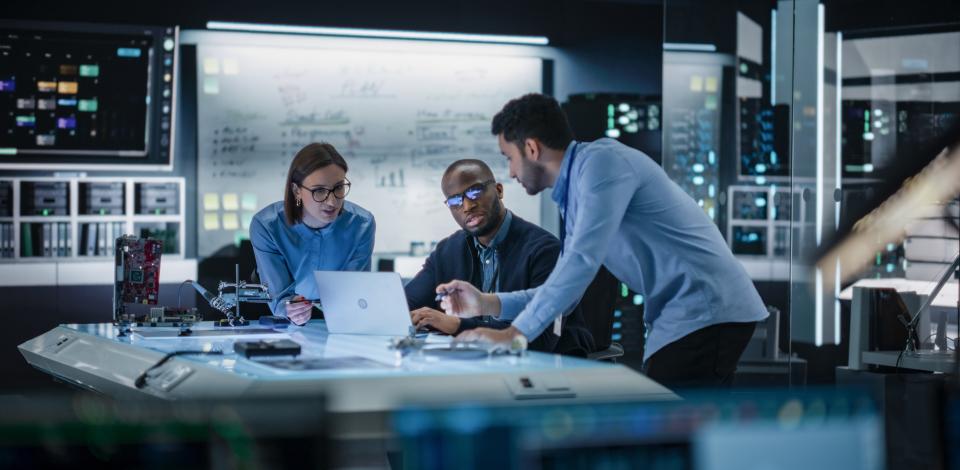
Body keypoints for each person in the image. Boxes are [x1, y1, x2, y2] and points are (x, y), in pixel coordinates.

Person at [436, 94, 768, 388]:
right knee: (681, 436)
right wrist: (488, 303)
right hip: (690, 315)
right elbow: (563, 292)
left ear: (532, 148)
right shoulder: (575, 192)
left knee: (672, 437)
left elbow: (581, 263)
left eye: (508, 157)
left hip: (706, 310)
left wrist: (513, 334)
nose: (509, 172)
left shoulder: (602, 164)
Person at [405, 159, 594, 355]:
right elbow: (404, 304)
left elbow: (542, 342)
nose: (467, 206)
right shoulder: (447, 250)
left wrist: (457, 325)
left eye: (475, 191)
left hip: (545, 368)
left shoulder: (544, 249)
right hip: (479, 365)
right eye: (455, 201)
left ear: (499, 190)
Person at [251, 142, 375, 325]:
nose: (332, 201)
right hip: (278, 319)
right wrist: (291, 307)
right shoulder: (267, 226)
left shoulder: (362, 224)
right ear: (296, 191)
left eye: (339, 187)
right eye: (319, 191)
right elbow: (280, 298)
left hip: (338, 319)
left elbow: (353, 292)